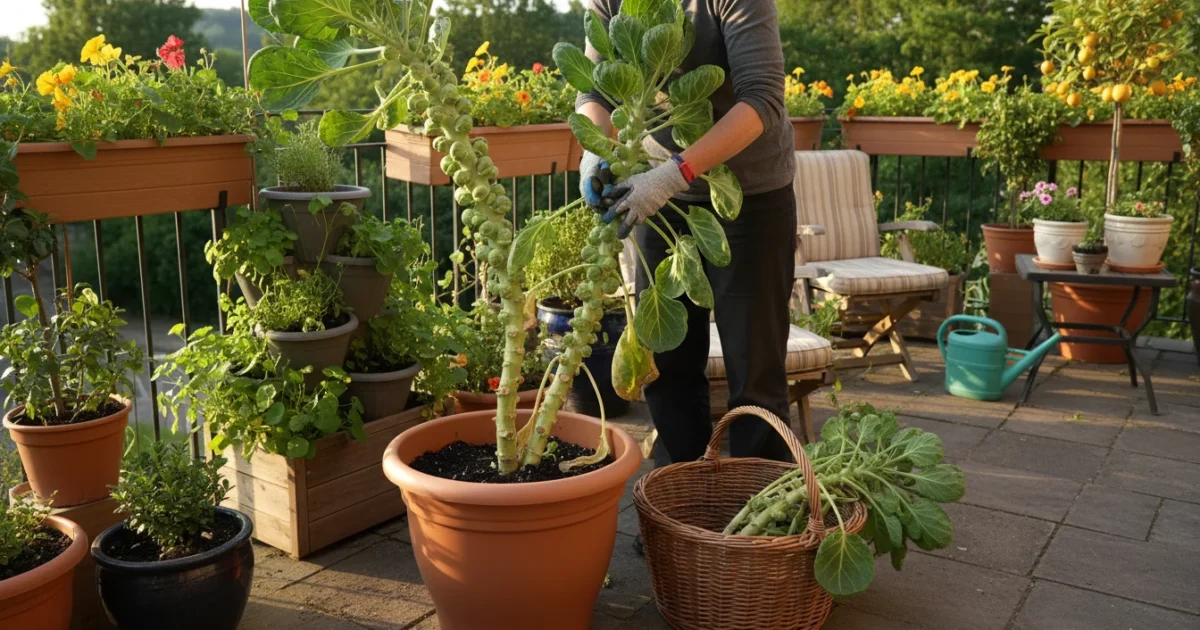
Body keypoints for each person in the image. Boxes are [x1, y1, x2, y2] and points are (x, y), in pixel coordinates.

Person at [576, 0, 798, 469]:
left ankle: (759, 512)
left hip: (748, 195)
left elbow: (762, 99)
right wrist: (595, 154)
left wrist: (676, 173)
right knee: (669, 364)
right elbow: (594, 92)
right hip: (654, 196)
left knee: (754, 368)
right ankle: (679, 502)